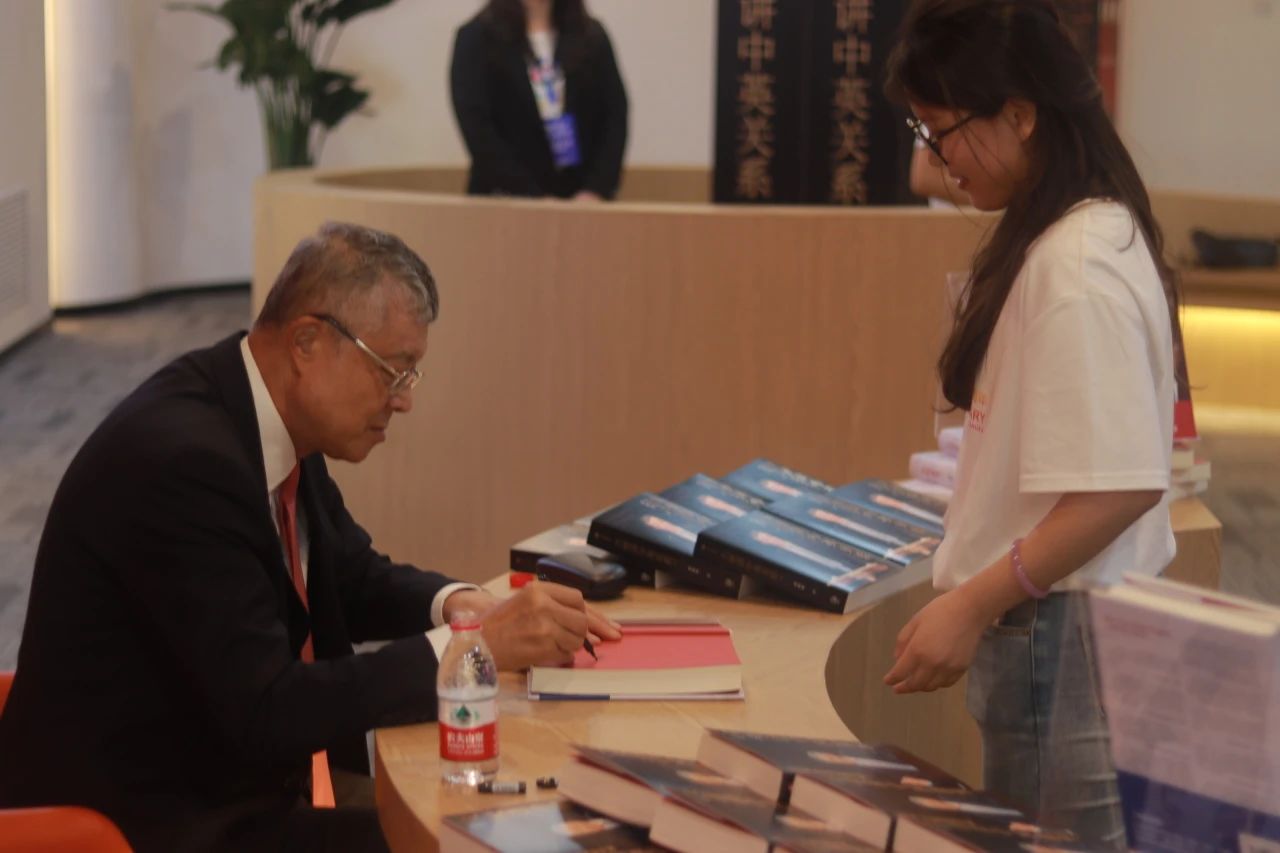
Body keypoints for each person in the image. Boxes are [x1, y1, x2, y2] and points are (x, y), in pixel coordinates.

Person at [0, 222, 621, 852]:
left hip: (234, 781)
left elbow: (349, 577)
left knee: (504, 817)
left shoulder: (267, 416)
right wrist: (473, 648)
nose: (403, 401)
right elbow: (267, 709)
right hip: (145, 822)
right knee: (479, 841)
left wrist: (460, 607)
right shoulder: (184, 464)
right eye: (393, 371)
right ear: (307, 342)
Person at [879, 1, 1179, 849]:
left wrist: (971, 604)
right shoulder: (1070, 228)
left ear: (1020, 114)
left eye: (944, 130)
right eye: (923, 130)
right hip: (1060, 626)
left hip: (1056, 630)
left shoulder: (1075, 263)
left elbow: (1119, 487)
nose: (937, 157)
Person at [450, 0, 628, 200]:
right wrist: (533, 197)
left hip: (581, 202)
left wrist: (595, 190)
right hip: (504, 201)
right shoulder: (476, 38)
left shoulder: (591, 35)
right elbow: (477, 127)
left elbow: (615, 116)